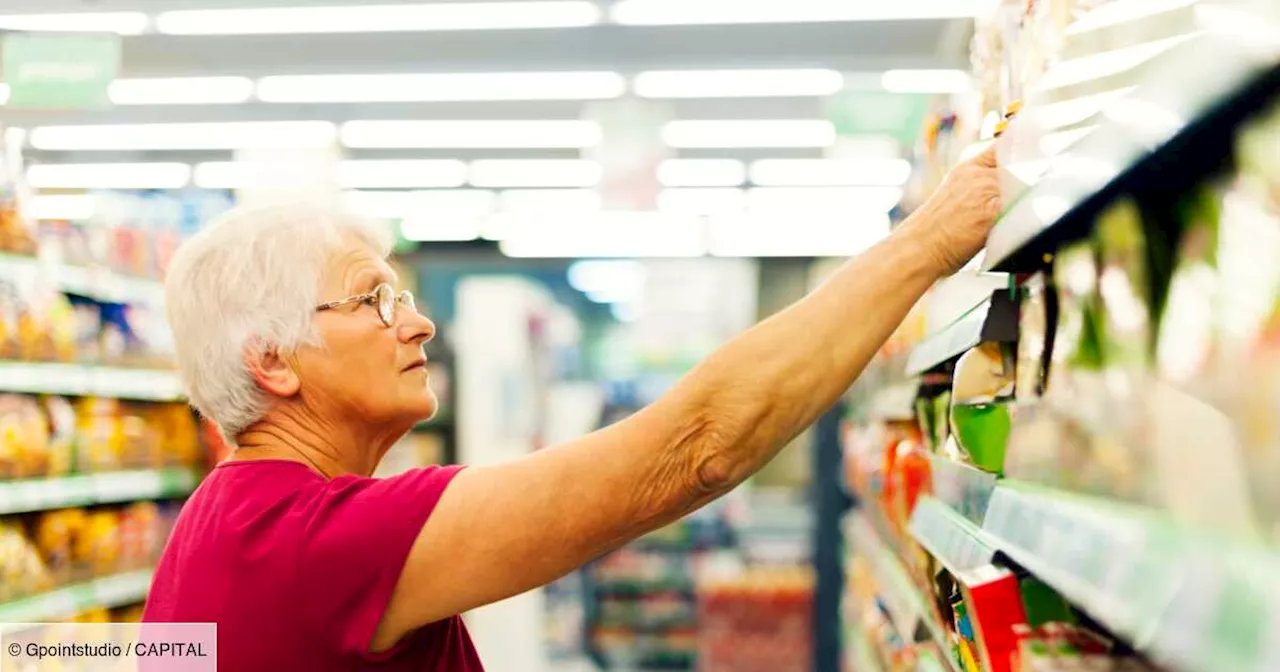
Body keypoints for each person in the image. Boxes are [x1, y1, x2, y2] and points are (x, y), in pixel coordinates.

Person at [143, 147, 1002, 670]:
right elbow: (700, 446)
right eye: (373, 300)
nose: (418, 321)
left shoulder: (218, 518)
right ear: (271, 362)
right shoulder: (319, 541)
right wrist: (932, 239)